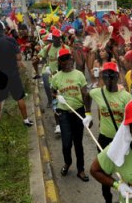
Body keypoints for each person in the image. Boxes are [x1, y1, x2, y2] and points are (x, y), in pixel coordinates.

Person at [89, 62, 132, 203]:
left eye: (112, 74)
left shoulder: (126, 97)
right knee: (104, 173)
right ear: (102, 76)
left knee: (127, 174)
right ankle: (108, 200)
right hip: (104, 140)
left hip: (122, 141)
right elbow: (86, 95)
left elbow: (131, 120)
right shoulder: (98, 92)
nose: (109, 78)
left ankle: (125, 198)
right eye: (105, 75)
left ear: (117, 76)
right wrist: (88, 113)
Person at [51, 48, 91, 182]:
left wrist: (88, 113)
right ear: (59, 62)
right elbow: (53, 92)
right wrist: (57, 97)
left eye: (68, 57)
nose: (66, 61)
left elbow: (85, 94)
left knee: (78, 142)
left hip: (78, 111)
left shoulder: (79, 75)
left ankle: (81, 169)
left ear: (71, 59)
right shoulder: (56, 77)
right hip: (64, 114)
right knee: (66, 143)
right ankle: (67, 162)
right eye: (63, 59)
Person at [0, 21, 33, 131]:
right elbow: (19, 57)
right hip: (13, 74)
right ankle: (25, 120)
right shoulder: (10, 40)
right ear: (4, 29)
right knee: (19, 97)